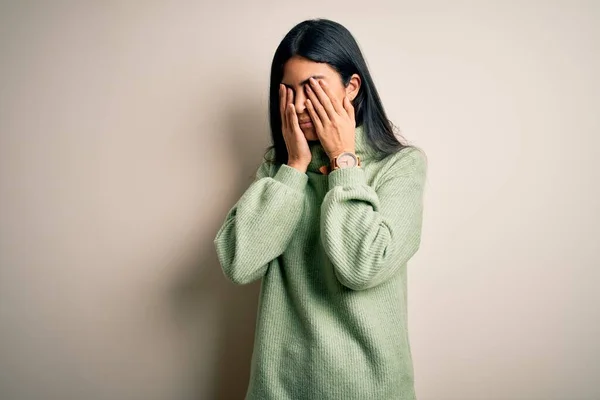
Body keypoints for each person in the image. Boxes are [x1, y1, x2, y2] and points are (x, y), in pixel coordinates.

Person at [213, 17, 428, 400]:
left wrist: (342, 160)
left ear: (352, 87)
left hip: (369, 388)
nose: (299, 105)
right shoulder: (277, 172)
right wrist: (294, 166)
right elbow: (238, 262)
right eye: (289, 91)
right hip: (278, 389)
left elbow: (363, 267)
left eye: (313, 89)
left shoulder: (400, 166)